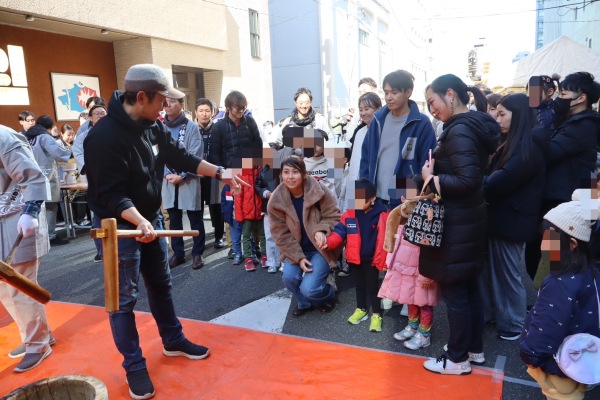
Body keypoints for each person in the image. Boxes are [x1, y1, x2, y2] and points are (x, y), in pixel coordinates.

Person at [84, 63, 247, 400]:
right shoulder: (103, 137)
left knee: (161, 283)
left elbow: (179, 156)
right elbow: (110, 194)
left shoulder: (151, 125)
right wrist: (137, 220)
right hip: (119, 228)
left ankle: (172, 340)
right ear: (141, 96)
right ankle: (134, 366)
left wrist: (220, 172)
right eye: (162, 100)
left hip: (149, 219)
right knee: (123, 300)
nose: (166, 107)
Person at [421, 74, 500, 375]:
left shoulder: (459, 131)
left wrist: (431, 177)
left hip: (457, 224)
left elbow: (468, 180)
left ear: (450, 94)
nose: (432, 109)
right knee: (468, 289)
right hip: (469, 220)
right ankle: (473, 348)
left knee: (455, 292)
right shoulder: (473, 126)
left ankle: (456, 359)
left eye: (433, 102)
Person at [479, 93, 545, 341]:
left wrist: (474, 182)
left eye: (502, 114)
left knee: (506, 274)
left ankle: (514, 324)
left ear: (518, 117)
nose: (496, 118)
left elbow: (498, 182)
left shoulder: (526, 147)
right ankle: (498, 316)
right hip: (504, 219)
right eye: (496, 112)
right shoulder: (514, 143)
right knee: (494, 271)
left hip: (512, 222)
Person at [520, 198, 599, 400]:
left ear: (572, 244)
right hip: (583, 359)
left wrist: (530, 354)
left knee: (559, 395)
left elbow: (547, 325)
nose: (543, 245)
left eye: (550, 239)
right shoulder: (591, 272)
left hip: (559, 363)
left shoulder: (559, 283)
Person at [529, 72, 600, 280]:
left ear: (581, 98)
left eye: (564, 93)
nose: (559, 98)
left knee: (556, 257)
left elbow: (550, 153)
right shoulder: (575, 121)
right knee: (553, 256)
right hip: (567, 195)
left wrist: (539, 129)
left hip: (564, 201)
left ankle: (554, 300)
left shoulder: (582, 125)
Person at [0, 125, 54, 373]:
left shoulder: (3, 137)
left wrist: (30, 211)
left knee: (20, 285)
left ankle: (38, 344)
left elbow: (32, 176)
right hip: (3, 218)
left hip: (19, 215)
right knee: (4, 286)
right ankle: (39, 335)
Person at [268, 156, 340, 316]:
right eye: (286, 172)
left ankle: (327, 294)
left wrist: (321, 230)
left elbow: (334, 215)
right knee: (289, 278)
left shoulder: (319, 189)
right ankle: (305, 302)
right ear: (281, 174)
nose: (290, 176)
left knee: (310, 288)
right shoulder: (276, 199)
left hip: (319, 249)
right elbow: (280, 234)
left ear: (304, 174)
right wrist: (299, 258)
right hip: (296, 249)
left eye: (295, 172)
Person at [359, 70, 437, 209]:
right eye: (386, 92)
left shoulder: (421, 122)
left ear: (408, 92)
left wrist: (415, 192)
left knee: (398, 230)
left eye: (394, 93)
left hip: (404, 199)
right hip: (374, 198)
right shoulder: (378, 120)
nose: (388, 97)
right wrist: (362, 193)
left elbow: (428, 161)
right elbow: (365, 158)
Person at [323, 179, 388, 332]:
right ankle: (361, 309)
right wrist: (328, 242)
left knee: (373, 287)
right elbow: (339, 232)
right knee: (359, 286)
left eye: (361, 198)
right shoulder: (349, 215)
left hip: (372, 260)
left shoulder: (381, 214)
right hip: (354, 258)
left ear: (372, 198)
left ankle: (377, 314)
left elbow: (386, 237)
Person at [207, 90, 263, 265]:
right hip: (230, 175)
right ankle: (235, 247)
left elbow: (258, 144)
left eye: (243, 108)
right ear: (229, 107)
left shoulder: (250, 122)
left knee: (252, 211)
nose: (240, 111)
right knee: (233, 214)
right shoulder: (219, 127)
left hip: (249, 174)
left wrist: (254, 166)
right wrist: (224, 174)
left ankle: (253, 247)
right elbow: (213, 154)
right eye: (237, 108)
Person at [379, 198, 441, 351]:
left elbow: (431, 248)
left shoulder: (429, 212)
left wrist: (428, 275)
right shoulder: (404, 213)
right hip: (407, 267)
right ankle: (412, 326)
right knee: (411, 298)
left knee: (425, 302)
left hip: (423, 269)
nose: (403, 198)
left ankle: (424, 334)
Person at [161, 96, 205, 270]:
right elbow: (155, 152)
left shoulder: (191, 127)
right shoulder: (160, 127)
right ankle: (178, 253)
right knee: (173, 219)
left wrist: (183, 174)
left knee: (195, 218)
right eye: (166, 101)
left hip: (189, 178)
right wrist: (166, 174)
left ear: (182, 105)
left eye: (172, 101)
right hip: (168, 180)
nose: (168, 105)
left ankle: (197, 253)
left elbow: (196, 153)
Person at [24, 115, 72, 246]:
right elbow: (58, 152)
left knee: (36, 206)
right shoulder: (44, 137)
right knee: (50, 206)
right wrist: (72, 152)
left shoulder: (29, 137)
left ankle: (38, 235)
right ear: (50, 127)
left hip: (31, 176)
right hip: (46, 175)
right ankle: (50, 235)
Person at [195, 98, 226, 250]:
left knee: (216, 206)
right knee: (197, 207)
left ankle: (219, 236)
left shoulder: (218, 129)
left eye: (207, 111)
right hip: (197, 173)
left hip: (215, 171)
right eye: (201, 111)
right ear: (196, 112)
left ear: (213, 113)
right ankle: (198, 238)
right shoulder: (192, 129)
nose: (204, 114)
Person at [347, 92, 382, 182]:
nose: (363, 113)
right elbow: (355, 162)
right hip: (359, 182)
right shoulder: (359, 132)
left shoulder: (384, 131)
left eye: (367, 109)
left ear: (378, 109)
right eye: (361, 109)